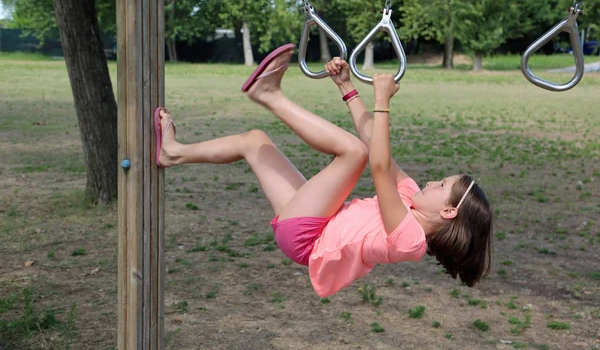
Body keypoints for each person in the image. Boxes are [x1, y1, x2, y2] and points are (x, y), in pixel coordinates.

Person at [154, 44, 494, 298]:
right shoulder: (411, 198)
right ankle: (174, 153)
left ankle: (268, 94)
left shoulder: (411, 240)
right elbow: (373, 140)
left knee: (353, 154)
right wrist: (347, 87)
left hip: (308, 237)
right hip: (317, 223)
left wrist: (383, 101)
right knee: (254, 142)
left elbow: (376, 164)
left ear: (449, 211)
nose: (433, 181)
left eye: (441, 184)